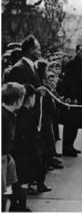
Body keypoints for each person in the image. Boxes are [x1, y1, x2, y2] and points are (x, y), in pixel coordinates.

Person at [2, 82, 26, 211]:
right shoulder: (4, 117)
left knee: (10, 185)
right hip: (2, 157)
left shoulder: (9, 114)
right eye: (22, 98)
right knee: (3, 191)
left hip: (7, 156)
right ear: (18, 101)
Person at [61, 44, 82, 157]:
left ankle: (70, 146)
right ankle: (66, 148)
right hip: (73, 98)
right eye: (81, 51)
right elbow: (69, 82)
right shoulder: (72, 63)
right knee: (70, 124)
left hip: (79, 97)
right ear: (76, 51)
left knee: (75, 123)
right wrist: (73, 97)